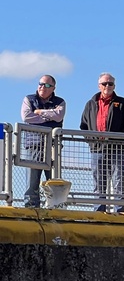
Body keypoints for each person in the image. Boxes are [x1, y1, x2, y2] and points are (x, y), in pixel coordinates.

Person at [80, 72, 124, 213]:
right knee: (99, 181)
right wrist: (92, 142)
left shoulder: (123, 103)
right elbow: (83, 126)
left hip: (116, 148)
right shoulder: (90, 104)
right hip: (97, 150)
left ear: (114, 85)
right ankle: (99, 211)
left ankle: (119, 211)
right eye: (105, 83)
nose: (107, 86)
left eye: (110, 83)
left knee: (118, 180)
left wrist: (115, 138)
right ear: (99, 86)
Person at [20, 74, 66, 208]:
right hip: (33, 145)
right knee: (32, 180)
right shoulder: (29, 99)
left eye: (46, 85)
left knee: (53, 180)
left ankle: (54, 207)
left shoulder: (60, 101)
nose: (42, 87)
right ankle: (31, 208)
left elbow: (58, 117)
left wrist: (39, 112)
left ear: (53, 88)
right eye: (40, 84)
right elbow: (27, 117)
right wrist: (48, 116)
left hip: (52, 146)